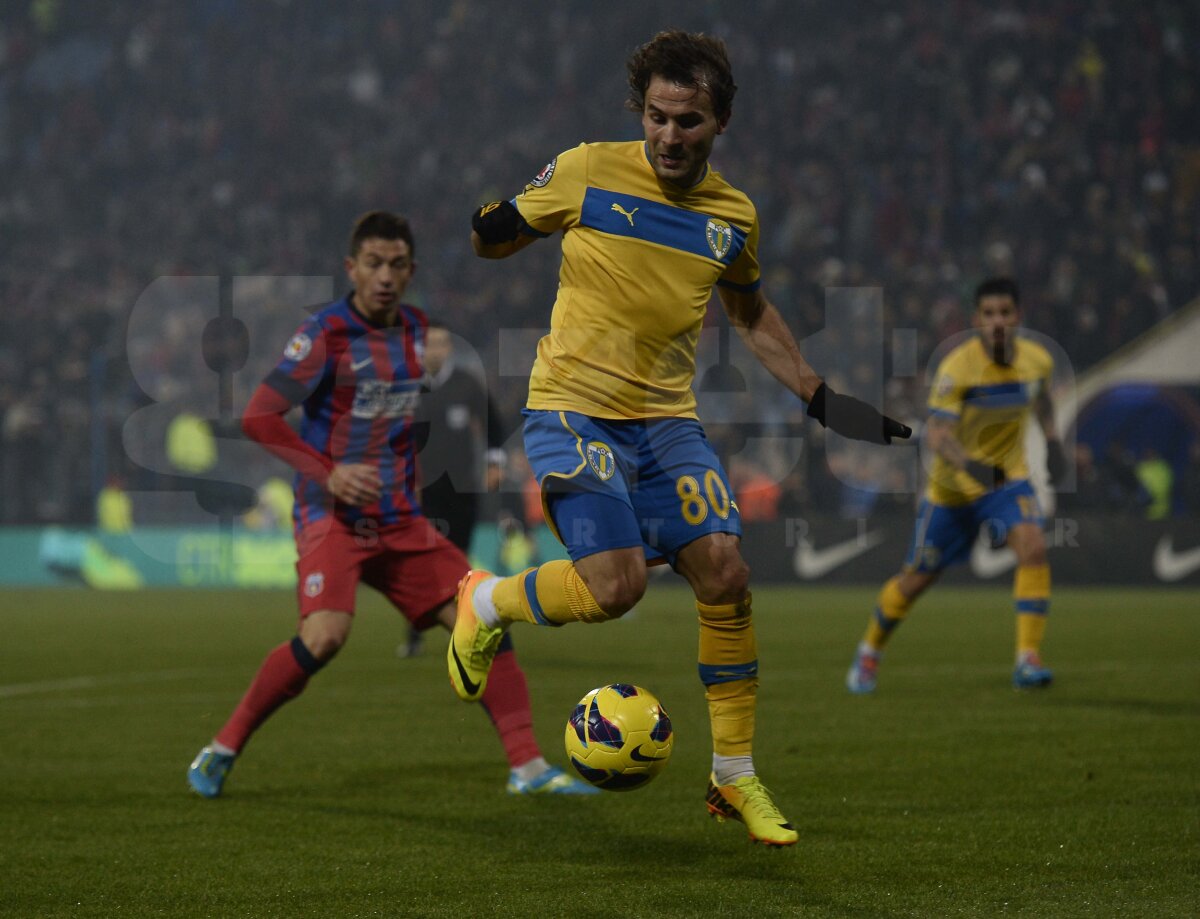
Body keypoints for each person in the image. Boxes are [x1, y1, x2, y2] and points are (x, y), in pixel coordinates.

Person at [449, 31, 910, 847]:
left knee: (727, 571)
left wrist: (817, 394)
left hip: (666, 422)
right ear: (641, 113)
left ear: (720, 121)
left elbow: (749, 311)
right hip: (571, 409)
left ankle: (734, 777)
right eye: (658, 117)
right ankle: (486, 599)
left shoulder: (733, 217)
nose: (669, 136)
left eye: (688, 121)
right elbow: (499, 237)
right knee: (617, 586)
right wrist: (491, 223)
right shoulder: (588, 167)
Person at [186, 211, 595, 798]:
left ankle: (528, 768)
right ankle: (222, 748)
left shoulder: (414, 332)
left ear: (411, 271)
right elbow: (258, 417)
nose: (384, 276)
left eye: (396, 265)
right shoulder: (323, 334)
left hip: (400, 519)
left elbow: (395, 425)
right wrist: (328, 474)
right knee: (326, 637)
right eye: (373, 264)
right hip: (332, 517)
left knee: (484, 613)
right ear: (351, 268)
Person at [845, 277, 1067, 694]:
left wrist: (1053, 441)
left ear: (1018, 316)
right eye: (989, 314)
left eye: (1005, 313)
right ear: (976, 319)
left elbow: (1042, 401)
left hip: (1007, 481)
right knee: (916, 579)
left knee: (1033, 546)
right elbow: (938, 436)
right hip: (953, 491)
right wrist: (974, 468)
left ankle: (1027, 659)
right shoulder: (957, 367)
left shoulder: (1038, 360)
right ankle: (870, 650)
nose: (998, 321)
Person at [398, 322, 507, 658]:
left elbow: (494, 424)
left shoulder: (466, 384)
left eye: (442, 343)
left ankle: (463, 631)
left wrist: (494, 463)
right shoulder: (408, 387)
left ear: (448, 349)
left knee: (458, 562)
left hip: (462, 489)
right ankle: (415, 632)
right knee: (424, 562)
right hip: (422, 491)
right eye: (430, 344)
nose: (436, 350)